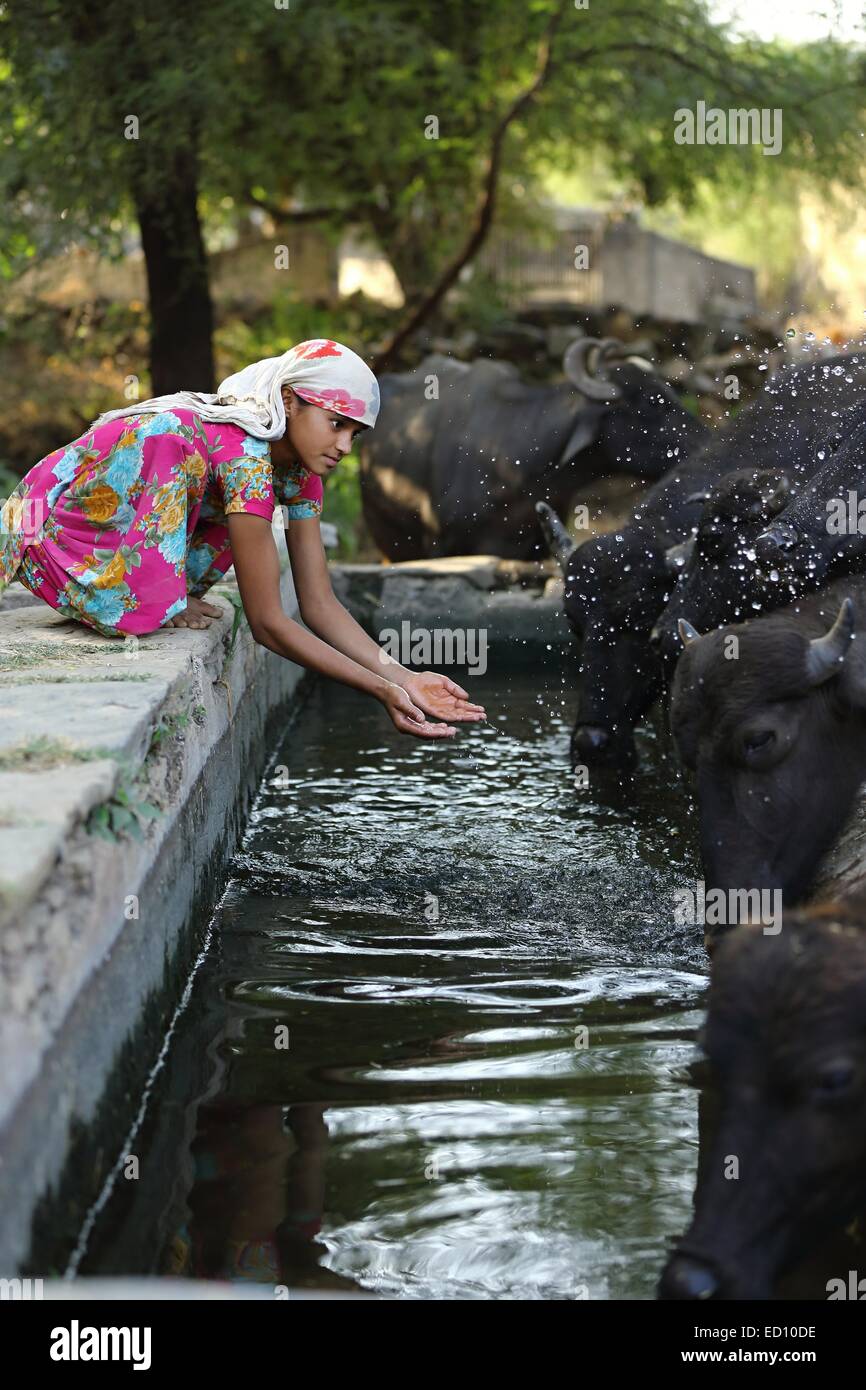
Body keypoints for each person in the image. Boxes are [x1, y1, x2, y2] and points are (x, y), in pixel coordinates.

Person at [0, 338, 486, 738]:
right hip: (46, 523)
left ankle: (162, 591)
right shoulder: (245, 456)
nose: (343, 446)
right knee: (172, 445)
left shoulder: (299, 471)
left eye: (355, 435)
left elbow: (318, 603)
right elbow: (268, 623)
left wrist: (403, 677)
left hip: (106, 516)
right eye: (336, 424)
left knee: (235, 509)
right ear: (290, 401)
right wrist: (379, 690)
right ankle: (151, 594)